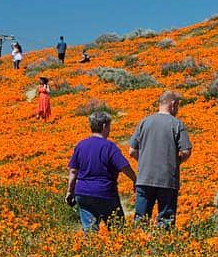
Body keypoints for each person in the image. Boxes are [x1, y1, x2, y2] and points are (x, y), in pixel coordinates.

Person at [128, 91, 192, 229]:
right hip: (167, 179)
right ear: (173, 104)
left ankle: (139, 245)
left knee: (141, 219)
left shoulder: (144, 122)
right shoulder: (177, 124)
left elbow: (132, 151)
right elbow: (186, 151)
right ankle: (163, 246)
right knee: (165, 220)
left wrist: (145, 161)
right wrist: (175, 162)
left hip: (144, 178)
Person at [65, 111, 137, 233]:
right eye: (109, 126)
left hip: (83, 193)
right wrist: (135, 180)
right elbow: (124, 167)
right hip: (105, 193)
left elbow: (73, 172)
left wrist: (70, 191)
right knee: (117, 229)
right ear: (104, 126)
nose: (109, 129)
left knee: (90, 231)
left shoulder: (81, 145)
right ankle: (116, 250)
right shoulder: (109, 146)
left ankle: (92, 250)